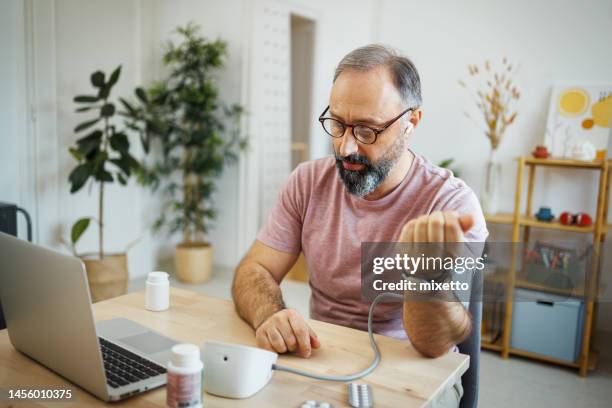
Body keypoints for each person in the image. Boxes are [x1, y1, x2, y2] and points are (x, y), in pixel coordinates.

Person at [232, 44, 488, 406]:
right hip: (323, 358)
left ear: (410, 123)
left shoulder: (450, 204)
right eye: (337, 124)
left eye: (367, 130)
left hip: (413, 372)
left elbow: (433, 344)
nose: (346, 147)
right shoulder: (307, 182)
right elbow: (253, 268)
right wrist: (269, 315)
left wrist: (423, 276)